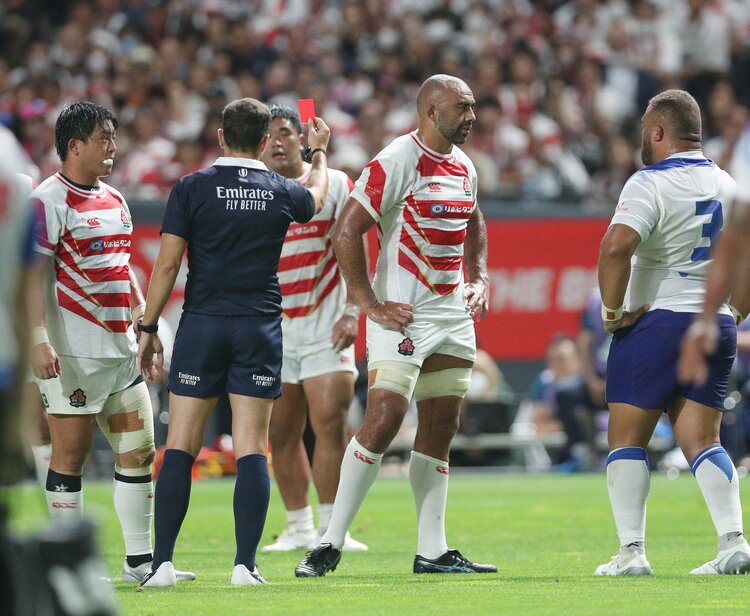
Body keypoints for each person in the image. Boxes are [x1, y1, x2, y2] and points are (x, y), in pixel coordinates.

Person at [295, 74, 496, 577]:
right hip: (403, 312)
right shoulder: (394, 161)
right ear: (431, 111)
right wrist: (368, 302)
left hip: (451, 313)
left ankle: (432, 550)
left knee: (441, 426)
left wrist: (480, 278)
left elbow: (474, 221)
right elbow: (347, 231)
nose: (472, 116)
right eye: (463, 108)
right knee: (383, 417)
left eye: (472, 108)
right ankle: (330, 541)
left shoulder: (465, 165)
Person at [136, 98, 331, 587]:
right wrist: (319, 154)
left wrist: (148, 328)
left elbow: (166, 265)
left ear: (221, 137)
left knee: (180, 443)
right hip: (258, 327)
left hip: (202, 323)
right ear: (265, 142)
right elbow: (318, 197)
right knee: (251, 447)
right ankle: (245, 566)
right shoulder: (282, 188)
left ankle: (160, 566)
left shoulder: (191, 187)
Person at [26, 101, 195, 585]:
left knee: (139, 449)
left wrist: (143, 316)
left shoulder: (115, 199)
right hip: (73, 356)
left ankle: (140, 562)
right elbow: (30, 278)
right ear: (74, 145)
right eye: (104, 138)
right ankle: (70, 566)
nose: (113, 146)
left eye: (114, 137)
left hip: (120, 349)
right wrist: (38, 338)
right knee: (71, 457)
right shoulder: (46, 202)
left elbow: (123, 270)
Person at [595, 89, 750, 576]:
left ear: (659, 132)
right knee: (704, 440)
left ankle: (631, 553)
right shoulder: (728, 182)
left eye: (646, 131)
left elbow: (618, 247)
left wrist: (611, 311)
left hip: (655, 322)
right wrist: (734, 312)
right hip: (714, 324)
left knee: (627, 439)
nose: (644, 139)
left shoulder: (649, 182)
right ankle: (733, 543)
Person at [259, 105, 367, 553]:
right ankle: (299, 527)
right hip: (273, 329)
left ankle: (331, 529)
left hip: (326, 324)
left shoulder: (336, 183)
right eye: (268, 135)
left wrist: (352, 313)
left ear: (300, 137)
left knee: (329, 424)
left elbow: (354, 250)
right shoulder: (253, 190)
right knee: (281, 432)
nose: (277, 141)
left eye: (285, 131)